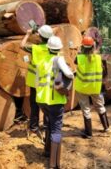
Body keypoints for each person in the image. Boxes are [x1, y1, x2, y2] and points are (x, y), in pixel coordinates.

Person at [36, 36, 74, 168]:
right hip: (55, 100)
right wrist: (71, 74)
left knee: (50, 124)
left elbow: (37, 82)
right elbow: (69, 75)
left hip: (41, 100)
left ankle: (47, 152)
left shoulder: (41, 61)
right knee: (56, 129)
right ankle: (54, 164)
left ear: (48, 48)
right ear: (59, 49)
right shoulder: (59, 59)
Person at [74, 36, 110, 139]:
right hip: (95, 87)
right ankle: (106, 127)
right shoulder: (98, 58)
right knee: (100, 106)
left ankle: (89, 133)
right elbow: (104, 72)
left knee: (86, 109)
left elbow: (76, 61)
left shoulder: (79, 57)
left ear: (82, 47)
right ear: (93, 47)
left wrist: (79, 50)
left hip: (82, 88)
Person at [20, 25, 54, 134]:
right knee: (46, 102)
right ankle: (46, 125)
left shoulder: (35, 48)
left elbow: (22, 45)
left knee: (34, 104)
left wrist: (28, 34)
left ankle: (34, 127)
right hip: (47, 81)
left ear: (40, 36)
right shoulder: (53, 48)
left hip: (35, 81)